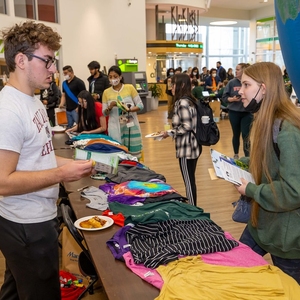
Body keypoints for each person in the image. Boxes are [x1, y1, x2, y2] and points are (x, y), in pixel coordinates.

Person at [0, 21, 94, 300]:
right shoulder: (8, 111)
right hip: (25, 225)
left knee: (16, 287)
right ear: (21, 60)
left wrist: (69, 165)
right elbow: (3, 183)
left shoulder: (33, 101)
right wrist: (61, 175)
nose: (53, 69)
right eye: (48, 61)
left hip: (35, 217)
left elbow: (40, 156)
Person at [236, 62, 300, 284]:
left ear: (263, 89)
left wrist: (251, 189)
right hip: (261, 225)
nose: (240, 90)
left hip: (286, 238)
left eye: (246, 84)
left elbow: (293, 191)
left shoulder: (286, 129)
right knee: (235, 267)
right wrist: (241, 165)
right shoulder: (266, 120)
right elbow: (270, 162)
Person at [162, 73, 201, 206]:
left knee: (189, 181)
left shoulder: (181, 102)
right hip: (194, 146)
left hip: (186, 148)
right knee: (191, 179)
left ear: (182, 85)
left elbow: (187, 126)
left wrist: (169, 133)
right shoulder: (190, 100)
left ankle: (193, 208)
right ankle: (193, 206)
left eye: (173, 85)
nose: (171, 88)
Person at [102, 65, 143, 159]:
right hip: (115, 126)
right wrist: (110, 107)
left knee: (133, 153)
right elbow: (104, 113)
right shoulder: (106, 92)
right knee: (118, 153)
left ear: (120, 77)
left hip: (130, 125)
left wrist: (129, 109)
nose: (113, 79)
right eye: (110, 77)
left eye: (115, 76)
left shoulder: (130, 88)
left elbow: (140, 105)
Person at [222, 63, 252, 158]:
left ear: (243, 70)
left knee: (246, 135)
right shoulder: (231, 83)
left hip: (247, 113)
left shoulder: (250, 82)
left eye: (238, 69)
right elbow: (224, 97)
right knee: (236, 134)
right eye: (236, 69)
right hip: (234, 112)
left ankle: (248, 156)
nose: (236, 71)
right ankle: (236, 154)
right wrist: (232, 99)